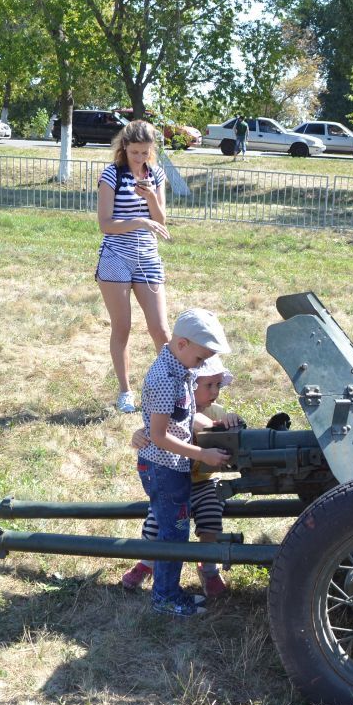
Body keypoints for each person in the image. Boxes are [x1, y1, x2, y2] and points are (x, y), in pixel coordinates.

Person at [136, 309, 233, 617]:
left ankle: (171, 590)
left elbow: (188, 417)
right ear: (182, 345)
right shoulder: (166, 380)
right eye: (201, 358)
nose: (202, 365)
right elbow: (160, 436)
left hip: (173, 466)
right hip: (163, 467)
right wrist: (202, 455)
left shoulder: (181, 369)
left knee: (175, 529)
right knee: (173, 534)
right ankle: (165, 597)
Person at [121, 354, 242, 598]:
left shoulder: (216, 412)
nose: (214, 391)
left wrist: (232, 421)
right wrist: (137, 435)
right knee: (156, 523)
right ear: (191, 384)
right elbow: (155, 430)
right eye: (208, 385)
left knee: (210, 520)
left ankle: (208, 567)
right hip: (170, 482)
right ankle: (148, 562)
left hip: (203, 484)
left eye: (218, 385)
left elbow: (236, 432)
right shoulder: (178, 408)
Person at [95, 119, 170, 414]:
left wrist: (151, 196)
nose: (140, 158)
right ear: (124, 147)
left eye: (145, 152)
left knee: (161, 329)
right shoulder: (111, 175)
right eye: (135, 152)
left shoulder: (157, 174)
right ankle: (125, 391)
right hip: (115, 258)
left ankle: (171, 389)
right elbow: (105, 224)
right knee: (122, 327)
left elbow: (161, 221)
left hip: (147, 257)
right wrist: (139, 221)